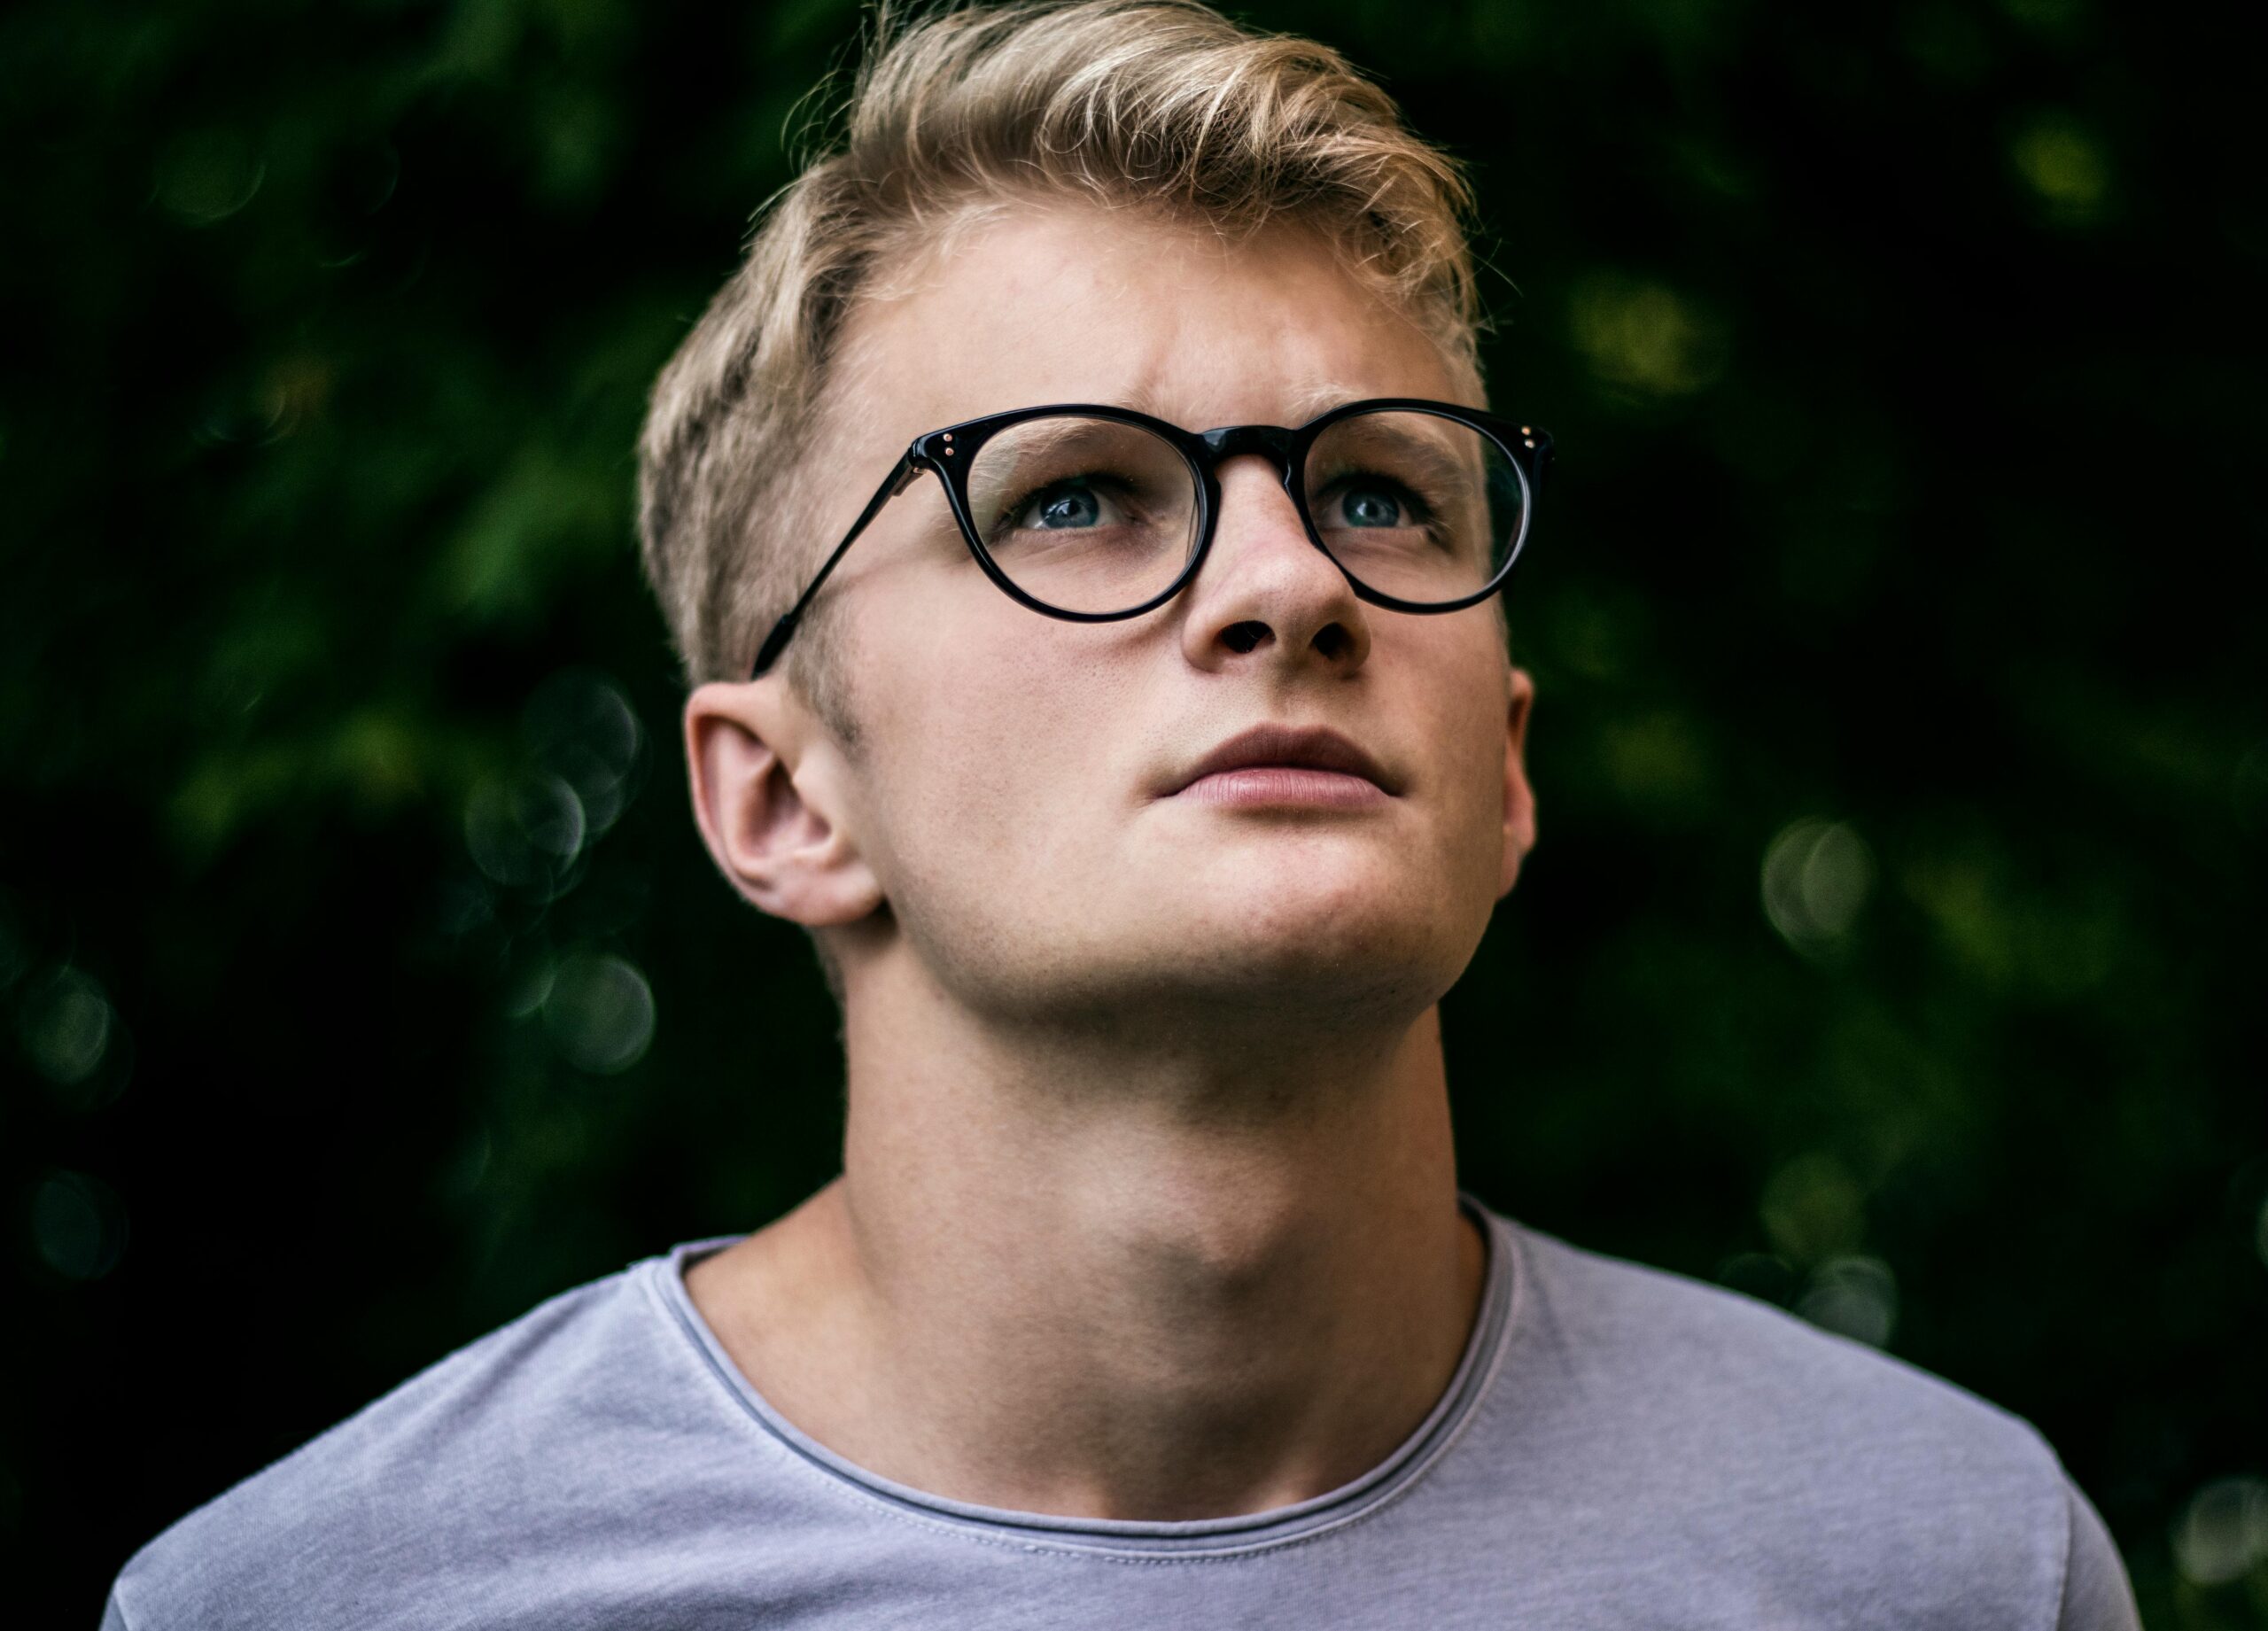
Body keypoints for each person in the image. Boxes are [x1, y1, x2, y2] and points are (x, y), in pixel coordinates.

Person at [103, 3, 2140, 1625]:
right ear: (784, 800)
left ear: (1505, 766)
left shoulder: (1943, 1564)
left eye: (1379, 492)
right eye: (1074, 495)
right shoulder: (332, 1600)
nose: (1291, 583)